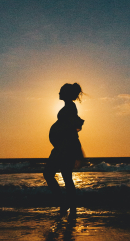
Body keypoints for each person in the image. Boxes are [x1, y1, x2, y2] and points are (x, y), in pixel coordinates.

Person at [43, 83, 85, 215]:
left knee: (50, 174)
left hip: (65, 147)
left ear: (66, 93)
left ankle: (65, 204)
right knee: (65, 176)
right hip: (63, 146)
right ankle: (69, 206)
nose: (59, 93)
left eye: (61, 91)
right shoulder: (68, 107)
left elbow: (72, 127)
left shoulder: (70, 108)